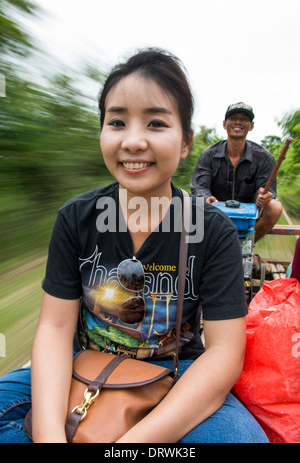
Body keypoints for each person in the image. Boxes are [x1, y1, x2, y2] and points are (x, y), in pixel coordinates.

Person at [0, 50, 269, 443]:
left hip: (175, 376)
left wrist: (132, 445)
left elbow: (226, 353)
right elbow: (55, 328)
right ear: (103, 133)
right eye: (117, 122)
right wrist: (48, 436)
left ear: (184, 143)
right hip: (80, 366)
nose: (133, 140)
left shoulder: (214, 232)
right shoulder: (75, 218)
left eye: (157, 123)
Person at [190, 102, 283, 242]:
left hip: (249, 219)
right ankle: (205, 249)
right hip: (215, 213)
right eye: (233, 118)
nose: (238, 122)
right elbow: (199, 187)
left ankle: (244, 247)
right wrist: (206, 197)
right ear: (224, 124)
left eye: (244, 119)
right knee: (187, 202)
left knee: (275, 207)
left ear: (251, 126)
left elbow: (267, 191)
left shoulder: (264, 157)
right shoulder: (208, 155)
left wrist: (262, 197)